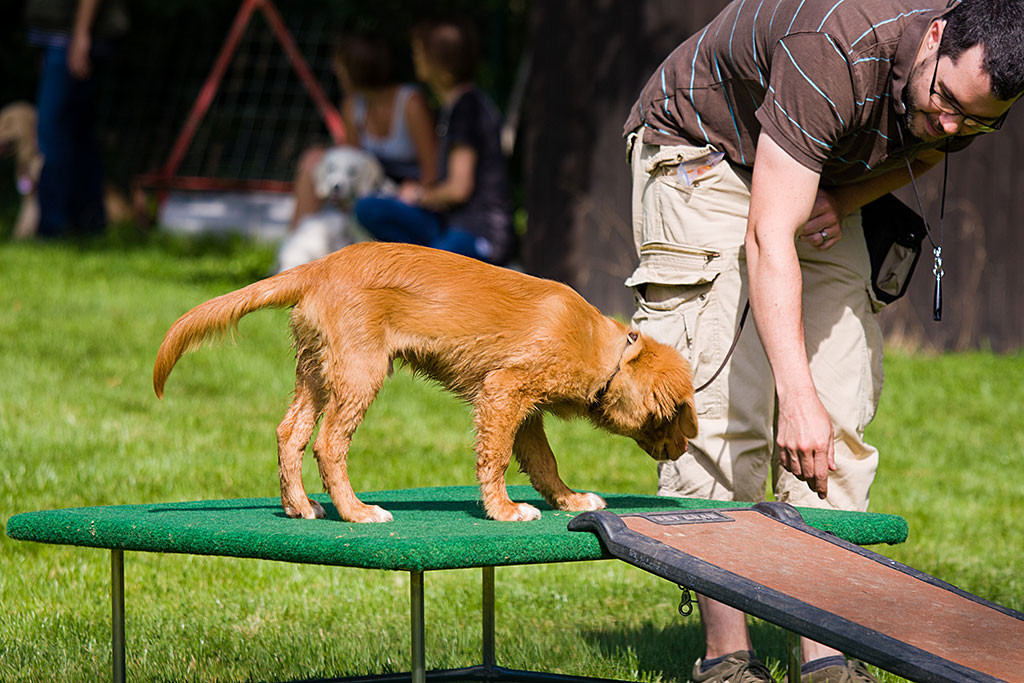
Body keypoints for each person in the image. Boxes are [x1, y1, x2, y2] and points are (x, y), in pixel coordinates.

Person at [624, 0, 1023, 681]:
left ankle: (826, 655)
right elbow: (767, 234)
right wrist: (794, 395)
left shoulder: (971, 89)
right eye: (948, 102)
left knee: (838, 405)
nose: (955, 124)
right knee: (725, 406)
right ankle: (727, 657)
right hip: (704, 151)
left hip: (815, 168)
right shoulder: (832, 48)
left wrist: (846, 199)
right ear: (934, 37)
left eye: (978, 121)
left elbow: (933, 145)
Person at [353, 18, 515, 266]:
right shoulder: (452, 107)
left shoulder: (467, 109)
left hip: (479, 232)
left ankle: (418, 268)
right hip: (448, 223)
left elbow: (459, 189)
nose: (416, 59)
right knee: (370, 209)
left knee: (424, 272)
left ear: (440, 61)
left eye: (420, 52)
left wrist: (418, 194)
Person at [288, 31, 438, 232]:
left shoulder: (411, 103)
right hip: (371, 188)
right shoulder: (353, 105)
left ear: (358, 67)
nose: (336, 71)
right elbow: (351, 160)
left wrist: (417, 194)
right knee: (312, 160)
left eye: (341, 66)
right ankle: (296, 240)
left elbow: (432, 170)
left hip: (409, 195)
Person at [26, 0, 127, 239]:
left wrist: (81, 33)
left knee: (51, 132)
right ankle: (88, 223)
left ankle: (53, 226)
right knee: (79, 133)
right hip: (56, 36)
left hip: (68, 38)